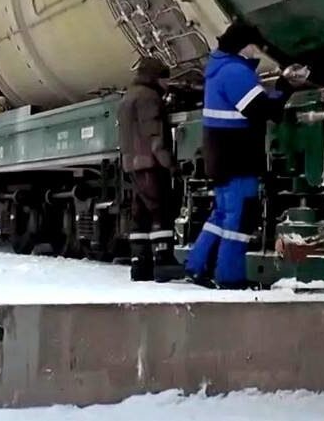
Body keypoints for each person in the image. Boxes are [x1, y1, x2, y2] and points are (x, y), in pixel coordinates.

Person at [185, 21, 309, 288]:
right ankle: (230, 277)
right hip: (237, 158)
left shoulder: (219, 68)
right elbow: (262, 110)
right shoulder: (235, 72)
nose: (256, 51)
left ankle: (197, 266)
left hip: (222, 157)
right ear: (244, 46)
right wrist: (285, 86)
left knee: (222, 215)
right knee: (239, 218)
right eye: (254, 45)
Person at [118, 56, 184, 281]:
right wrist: (171, 165)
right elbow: (155, 137)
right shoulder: (149, 98)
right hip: (150, 164)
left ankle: (140, 263)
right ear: (156, 77)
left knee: (140, 214)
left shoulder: (128, 96)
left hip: (132, 164)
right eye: (165, 79)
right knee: (160, 210)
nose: (167, 84)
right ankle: (163, 260)